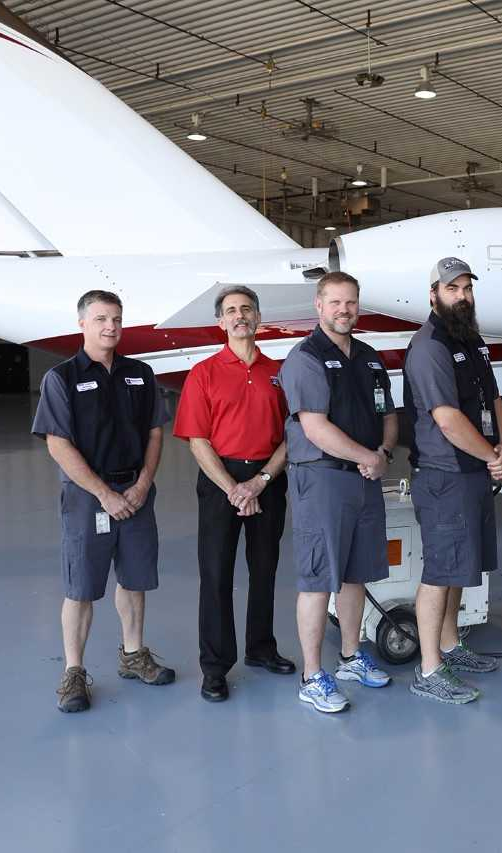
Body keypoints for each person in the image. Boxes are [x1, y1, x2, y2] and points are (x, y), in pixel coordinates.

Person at [31, 290, 175, 713]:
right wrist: (104, 494)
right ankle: (73, 672)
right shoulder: (61, 378)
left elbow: (154, 432)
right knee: (81, 588)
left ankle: (133, 655)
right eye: (100, 319)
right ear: (82, 324)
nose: (110, 326)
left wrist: (143, 484)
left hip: (136, 493)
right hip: (88, 499)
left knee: (134, 580)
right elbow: (58, 444)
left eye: (116, 319)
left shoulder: (140, 374)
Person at [279, 272, 397, 713]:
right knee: (318, 578)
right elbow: (315, 427)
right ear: (319, 305)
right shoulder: (306, 358)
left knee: (354, 573)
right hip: (323, 478)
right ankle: (312, 676)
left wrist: (383, 452)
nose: (344, 310)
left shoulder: (369, 358)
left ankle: (350, 657)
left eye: (350, 302)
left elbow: (388, 414)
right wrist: (369, 457)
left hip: (364, 478)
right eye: (335, 302)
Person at [174, 285, 295, 703]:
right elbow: (197, 440)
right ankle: (215, 667)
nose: (239, 316)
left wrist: (259, 482)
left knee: (265, 569)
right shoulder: (204, 373)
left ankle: (261, 648)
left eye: (246, 309)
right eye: (231, 311)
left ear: (258, 318)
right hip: (219, 482)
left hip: (267, 481)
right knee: (216, 574)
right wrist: (234, 489)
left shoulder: (278, 373)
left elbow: (292, 435)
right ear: (220, 322)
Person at [403, 257, 502, 705]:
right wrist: (491, 456)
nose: (462, 296)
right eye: (453, 289)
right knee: (440, 570)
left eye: (467, 288)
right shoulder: (429, 347)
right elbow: (447, 419)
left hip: (474, 471)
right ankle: (429, 669)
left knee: (459, 567)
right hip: (445, 476)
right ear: (433, 294)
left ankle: (450, 646)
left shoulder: (470, 339)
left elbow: (494, 397)